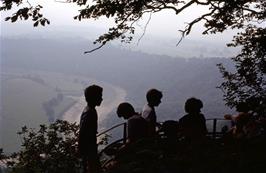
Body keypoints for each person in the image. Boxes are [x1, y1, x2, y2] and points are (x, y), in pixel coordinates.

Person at [78, 85, 103, 173]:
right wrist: (83, 151)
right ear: (94, 98)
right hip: (89, 150)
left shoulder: (89, 110)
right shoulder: (90, 112)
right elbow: (83, 133)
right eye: (100, 96)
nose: (101, 99)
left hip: (89, 149)